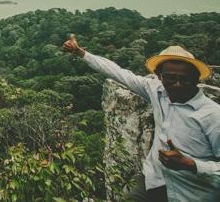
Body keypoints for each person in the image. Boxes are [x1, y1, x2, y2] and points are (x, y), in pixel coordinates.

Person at [63, 35, 220, 202]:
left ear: (196, 78)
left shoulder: (212, 116)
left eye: (185, 79)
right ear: (159, 76)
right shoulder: (156, 91)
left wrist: (190, 165)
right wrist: (80, 52)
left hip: (192, 192)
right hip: (155, 179)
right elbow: (118, 73)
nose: (178, 84)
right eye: (171, 78)